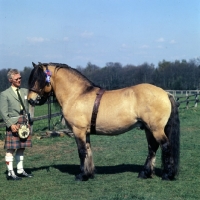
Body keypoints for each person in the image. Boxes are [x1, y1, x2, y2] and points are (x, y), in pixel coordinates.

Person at [0, 69, 33, 180]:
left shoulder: (24, 91)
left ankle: (20, 170)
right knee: (11, 149)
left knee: (21, 147)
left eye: (20, 78)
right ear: (10, 80)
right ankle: (10, 173)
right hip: (13, 123)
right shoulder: (4, 94)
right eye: (16, 79)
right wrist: (10, 124)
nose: (19, 80)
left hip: (24, 122)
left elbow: (36, 92)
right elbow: (3, 112)